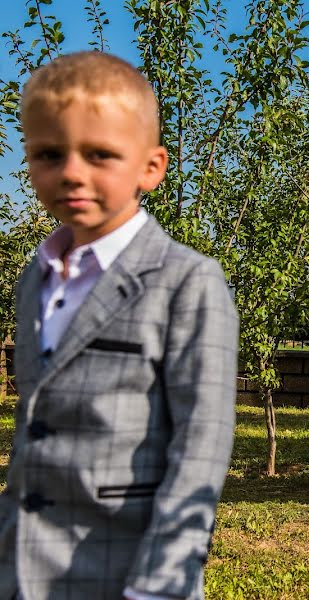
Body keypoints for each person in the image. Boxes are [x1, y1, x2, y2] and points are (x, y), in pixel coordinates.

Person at [0, 52, 238, 598]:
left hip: (124, 567)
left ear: (151, 167)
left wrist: (161, 583)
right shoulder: (34, 279)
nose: (72, 173)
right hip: (22, 565)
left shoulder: (188, 282)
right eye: (48, 154)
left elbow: (200, 449)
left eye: (100, 154)